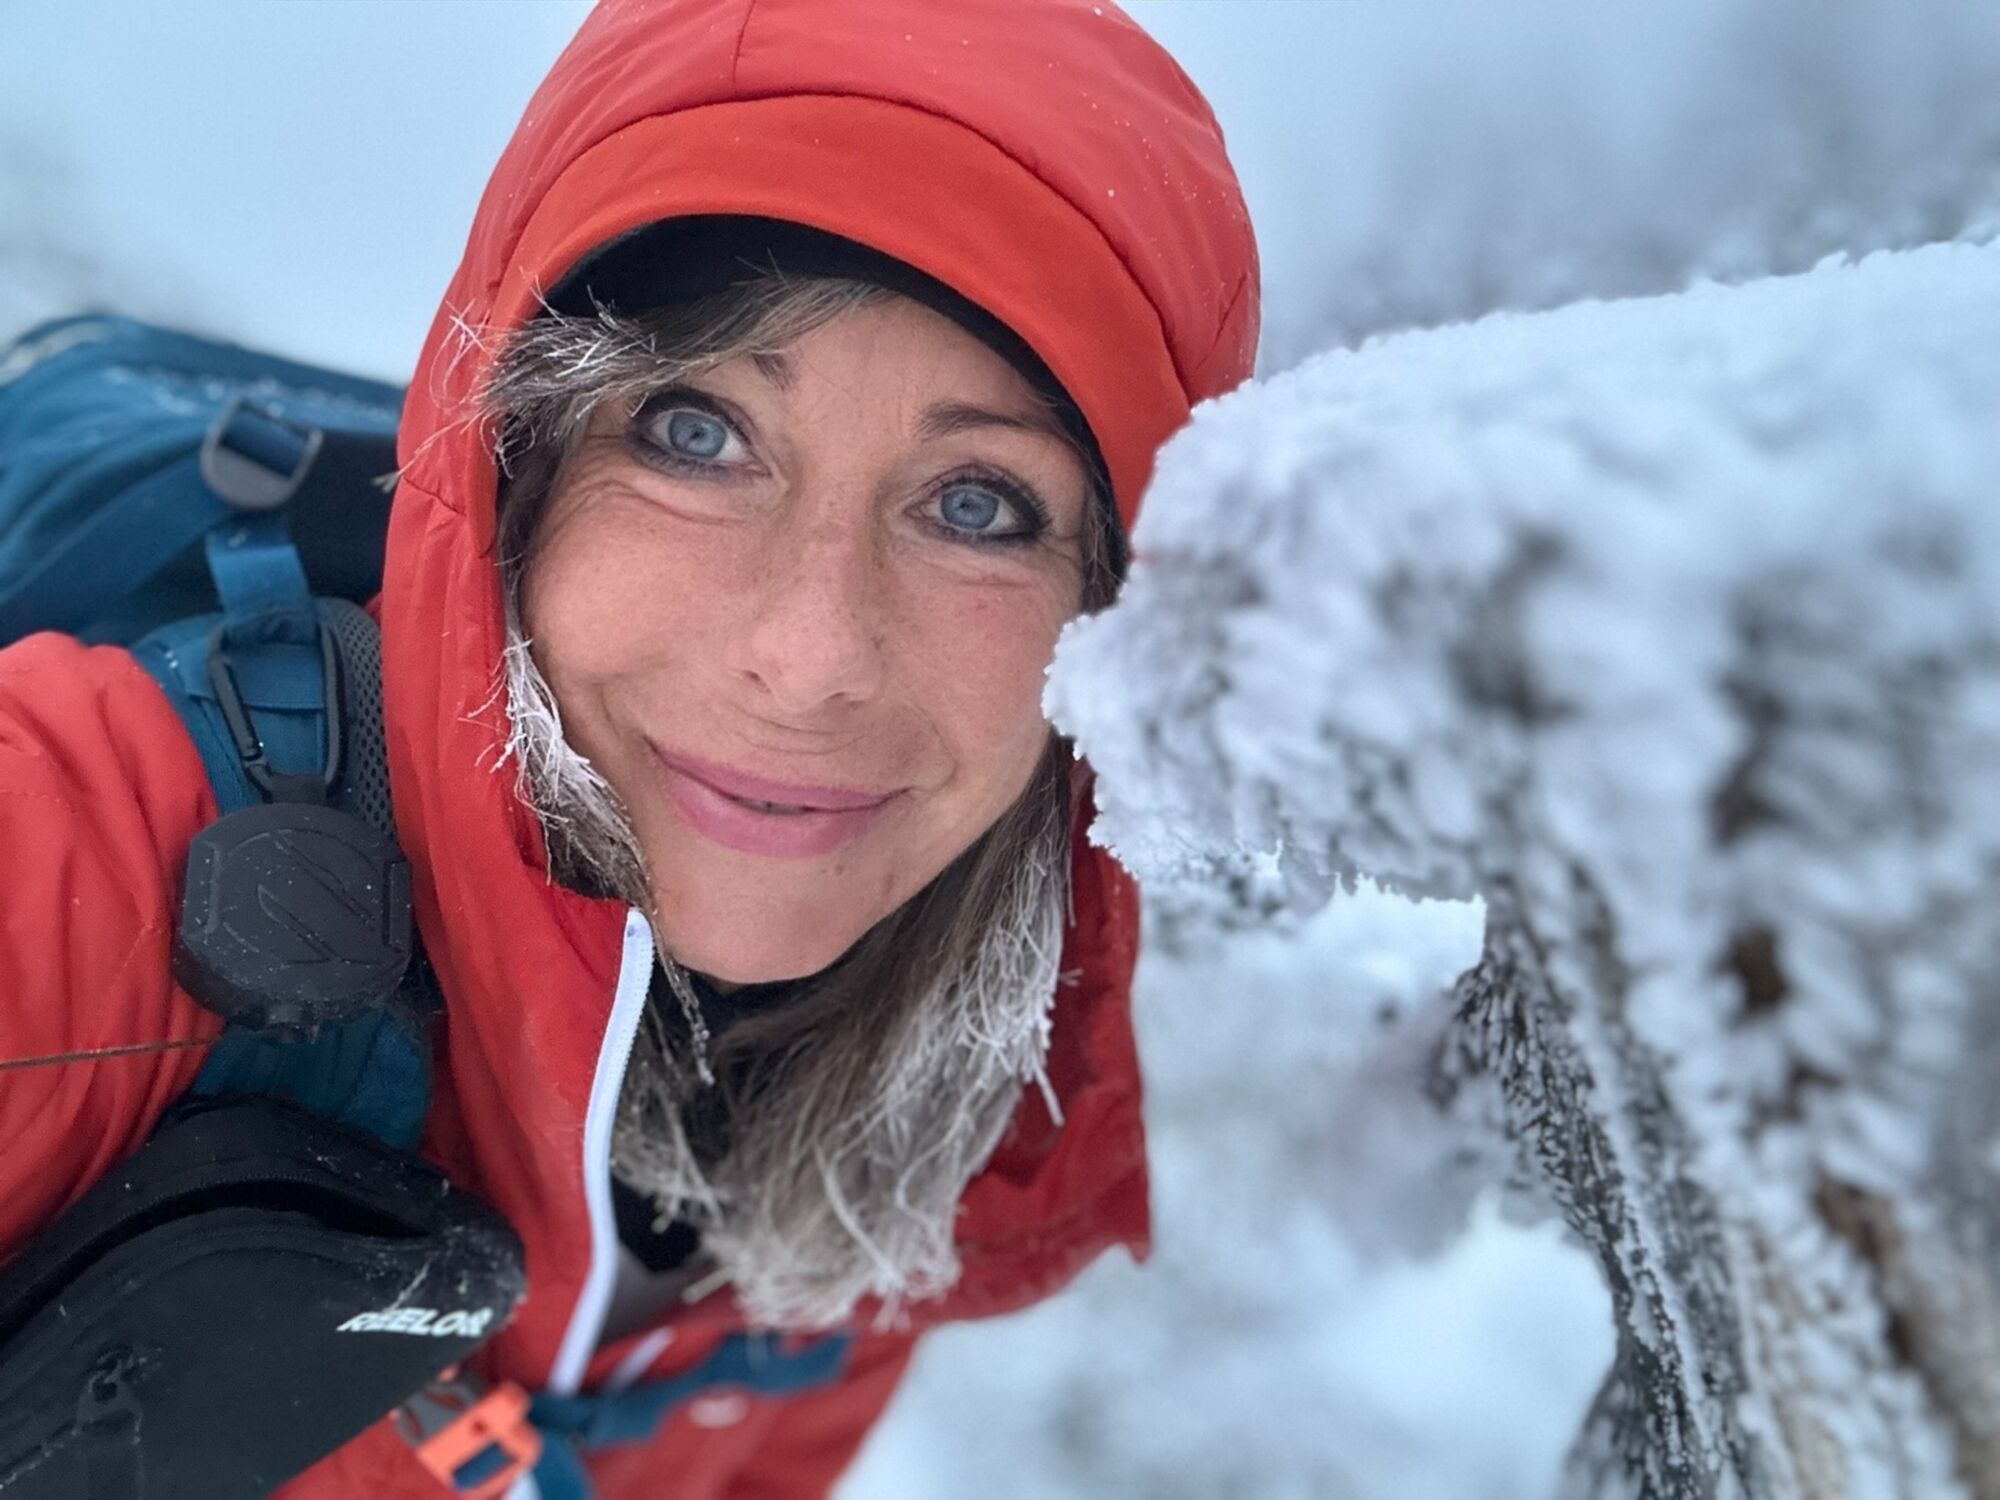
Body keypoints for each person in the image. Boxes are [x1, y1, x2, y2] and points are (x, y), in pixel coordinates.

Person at [0, 0, 1258, 1493]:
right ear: (516, 468)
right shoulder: (84, 873)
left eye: (977, 506)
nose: (809, 658)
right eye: (695, 434)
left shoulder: (924, 1117)